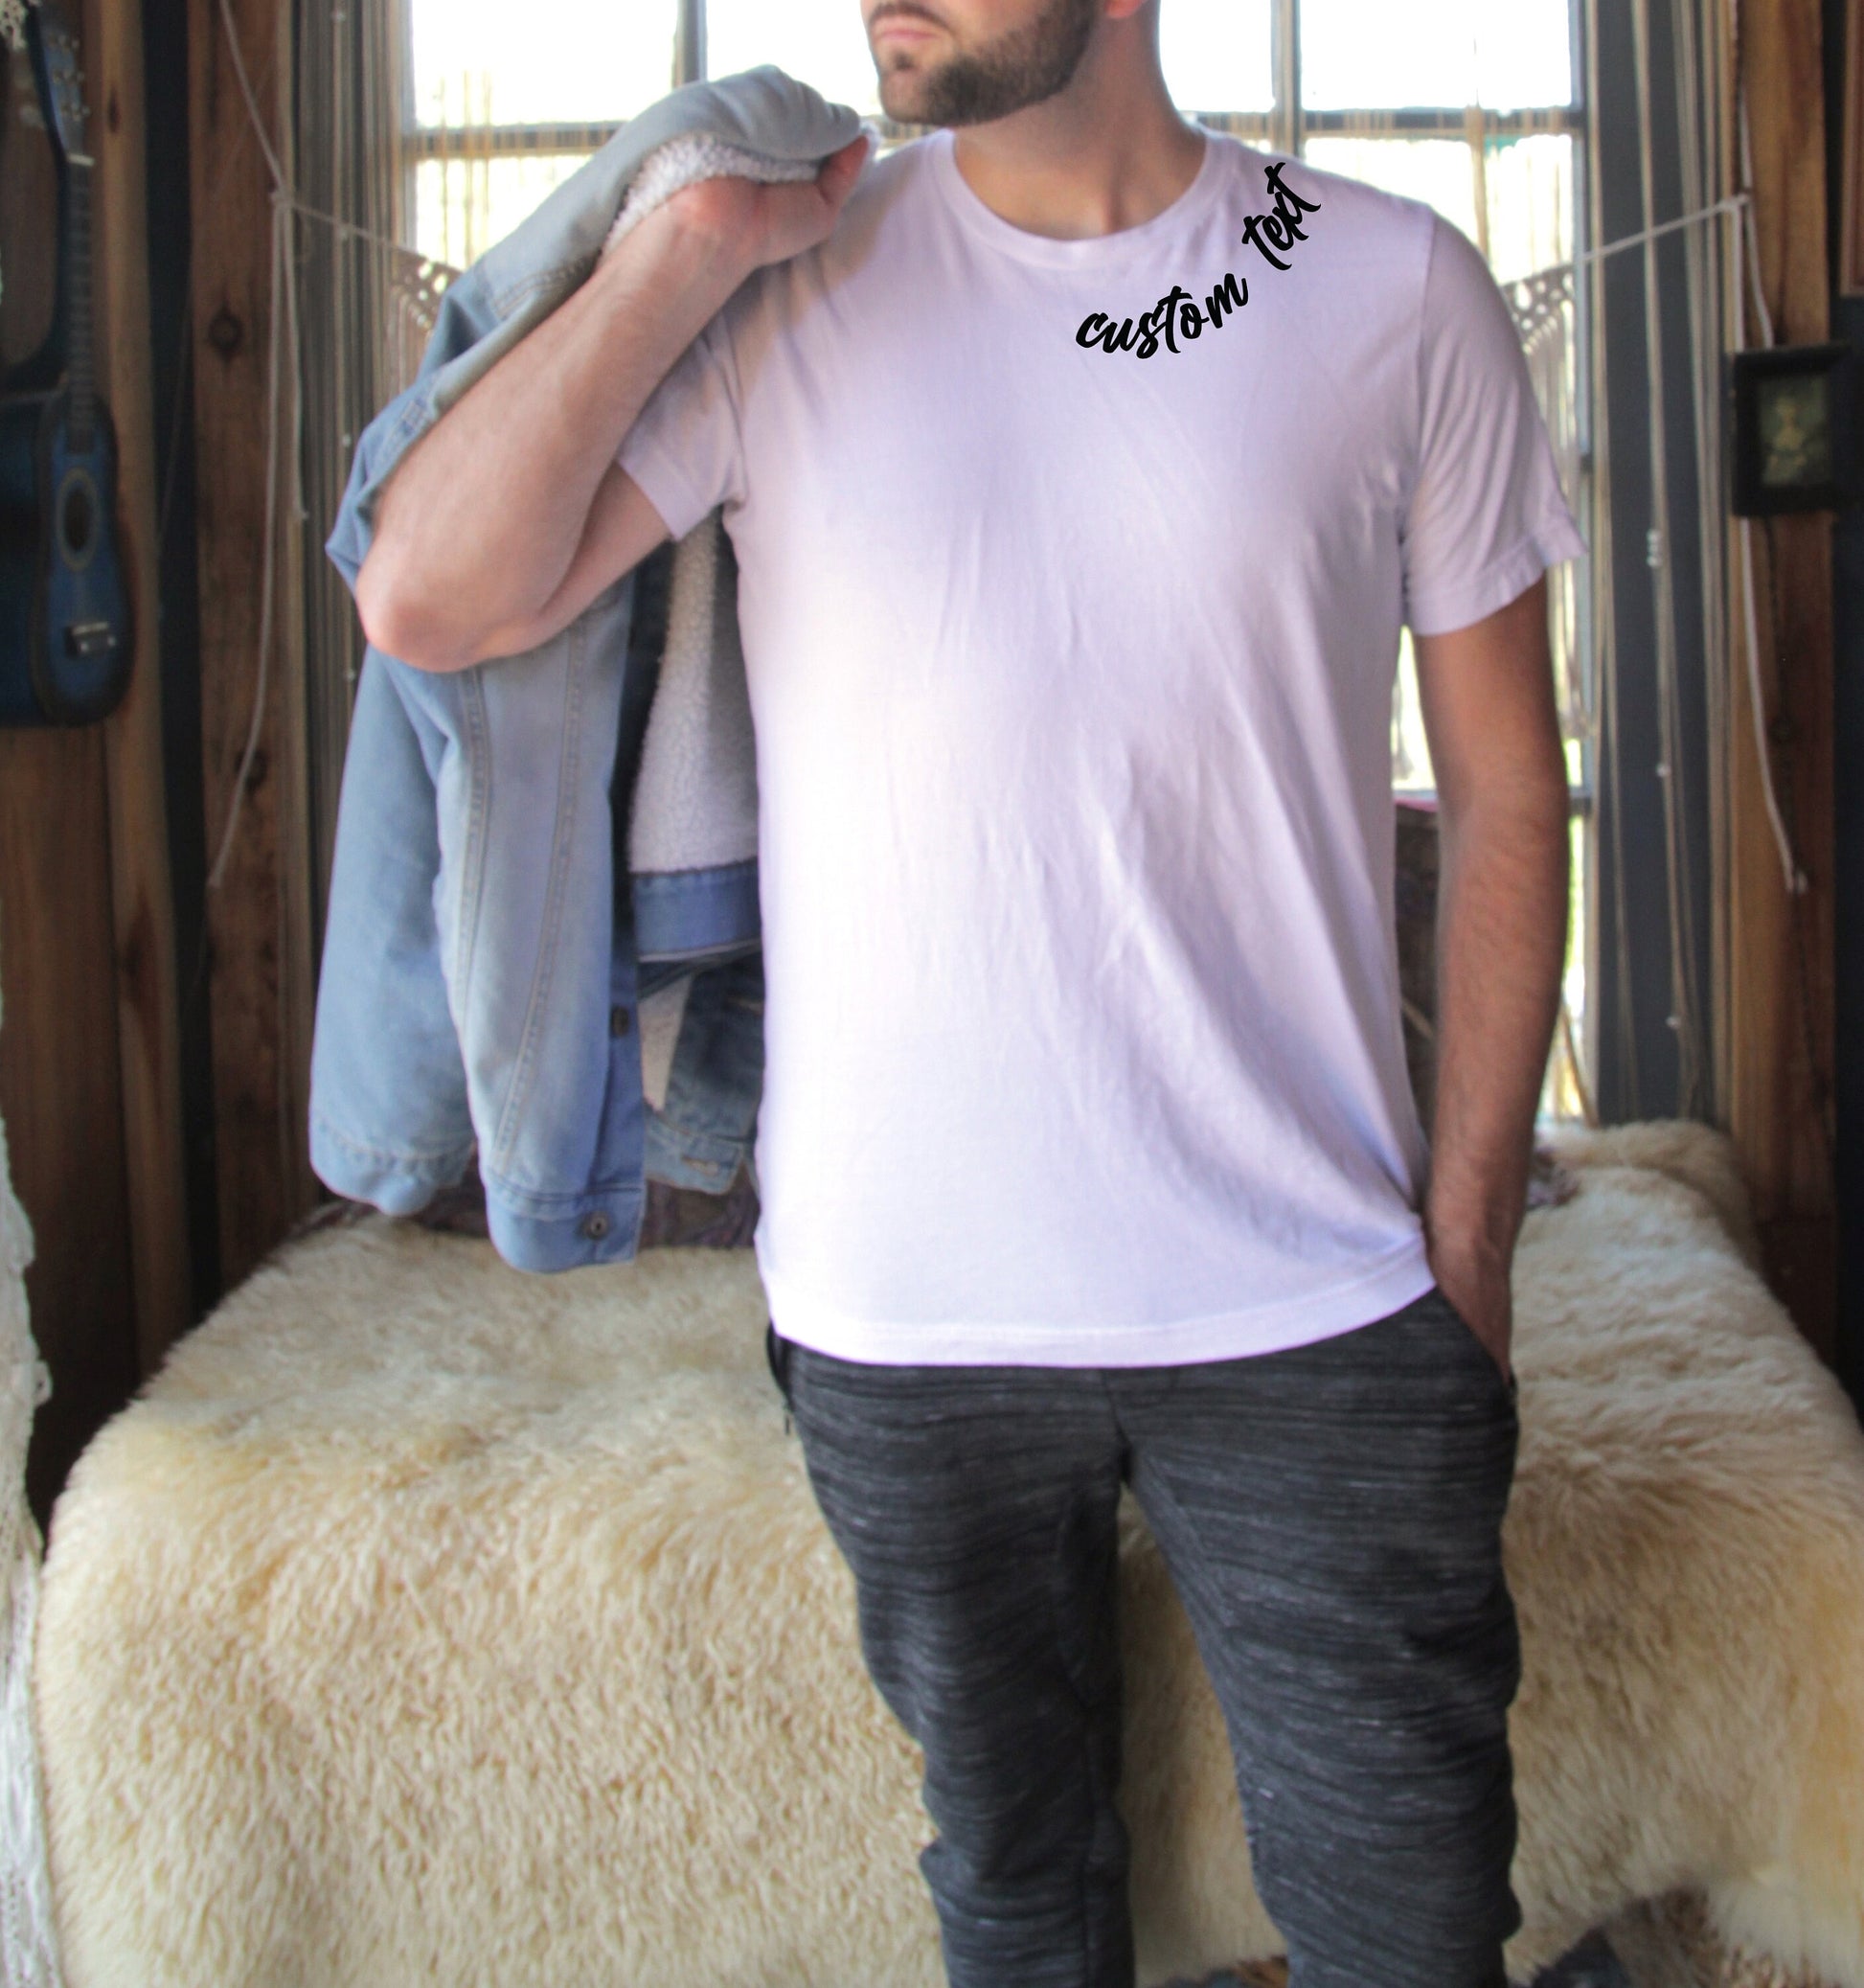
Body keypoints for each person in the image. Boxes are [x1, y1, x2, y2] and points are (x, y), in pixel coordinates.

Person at [356, 0, 1585, 1980]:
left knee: (1412, 1925)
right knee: (1017, 1905)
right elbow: (427, 591)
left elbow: (1512, 793)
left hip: (1320, 1296)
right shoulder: (779, 282)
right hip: (900, 1316)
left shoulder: (1393, 288)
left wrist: (1470, 1245)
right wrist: (679, 249)